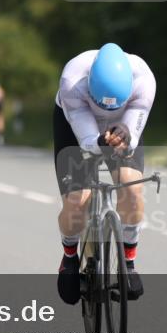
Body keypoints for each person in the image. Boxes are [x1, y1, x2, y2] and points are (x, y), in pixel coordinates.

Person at [53, 43, 156, 305]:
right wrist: (99, 141)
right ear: (89, 85)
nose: (106, 110)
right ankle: (69, 255)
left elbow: (132, 135)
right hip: (76, 125)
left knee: (132, 189)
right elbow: (87, 139)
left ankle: (129, 262)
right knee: (77, 199)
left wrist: (126, 135)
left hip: (123, 123)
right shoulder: (72, 80)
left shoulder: (143, 80)